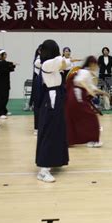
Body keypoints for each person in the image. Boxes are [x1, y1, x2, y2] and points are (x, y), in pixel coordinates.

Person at [36, 39, 72, 183]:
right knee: (49, 130)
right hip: (51, 98)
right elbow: (65, 62)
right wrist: (65, 60)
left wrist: (66, 61)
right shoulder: (46, 63)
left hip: (57, 96)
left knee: (58, 129)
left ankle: (55, 160)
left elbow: (67, 63)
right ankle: (43, 170)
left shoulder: (51, 62)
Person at [65, 56, 108, 147]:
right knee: (91, 117)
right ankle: (93, 140)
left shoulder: (85, 72)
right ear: (92, 64)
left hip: (74, 98)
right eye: (96, 64)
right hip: (77, 98)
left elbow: (92, 87)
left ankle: (68, 140)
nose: (97, 67)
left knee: (74, 119)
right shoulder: (84, 72)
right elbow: (80, 81)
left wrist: (103, 93)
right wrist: (88, 89)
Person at [0, 49, 16, 120]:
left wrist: (12, 65)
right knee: (1, 98)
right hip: (0, 83)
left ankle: (4, 111)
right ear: (0, 56)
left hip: (6, 82)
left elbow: (11, 68)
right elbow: (8, 68)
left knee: (5, 98)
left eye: (5, 54)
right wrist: (11, 66)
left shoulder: (4, 62)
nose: (5, 56)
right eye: (4, 54)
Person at [32, 45, 42, 136]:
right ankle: (37, 128)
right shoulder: (38, 61)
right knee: (38, 107)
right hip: (39, 85)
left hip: (45, 86)